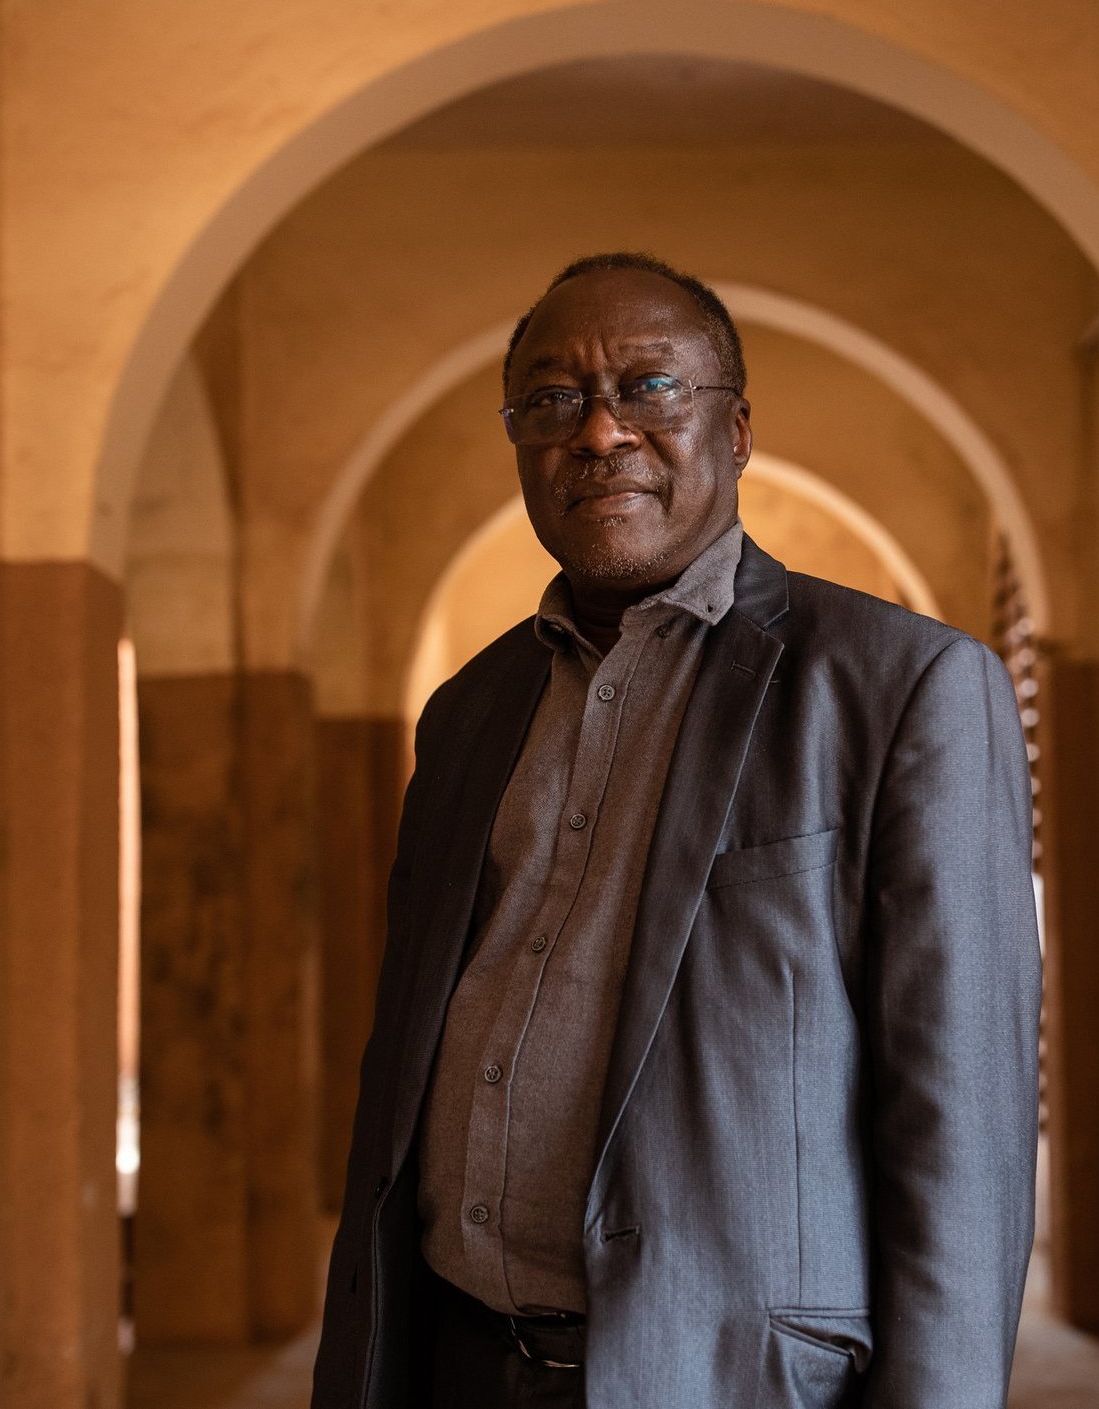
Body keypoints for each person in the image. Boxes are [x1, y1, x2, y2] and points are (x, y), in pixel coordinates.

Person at [312, 252, 1041, 1409]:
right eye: (551, 400)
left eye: (648, 387)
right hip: (456, 1360)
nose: (598, 432)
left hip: (735, 1379)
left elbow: (962, 1137)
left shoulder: (900, 688)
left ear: (736, 431)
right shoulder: (467, 713)